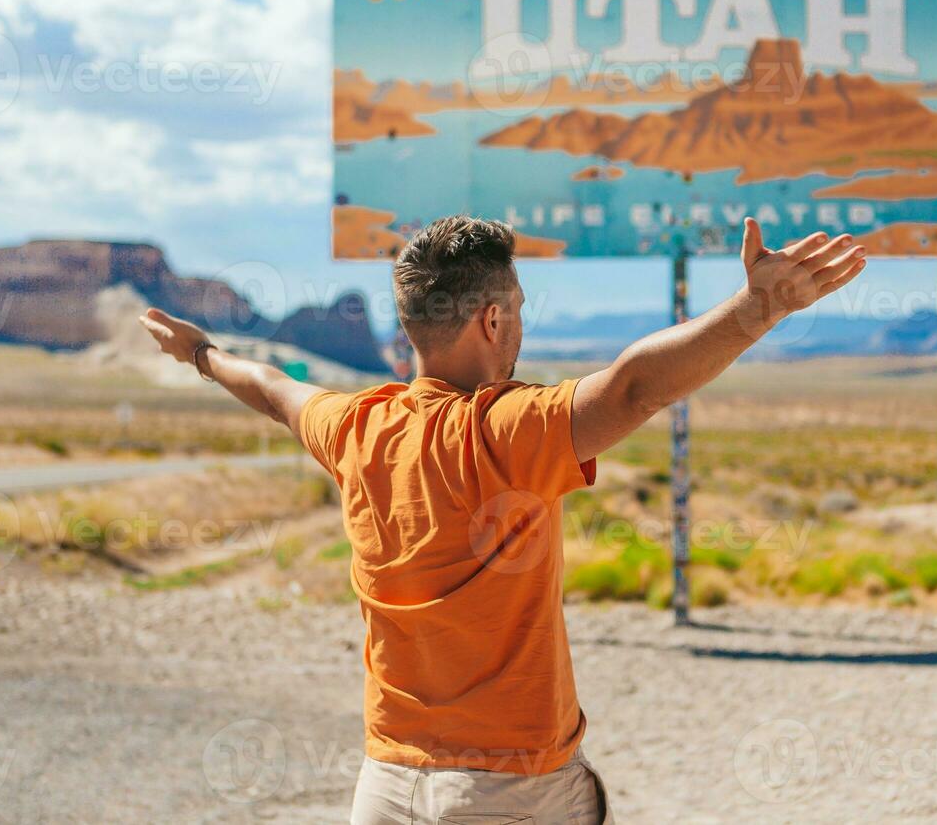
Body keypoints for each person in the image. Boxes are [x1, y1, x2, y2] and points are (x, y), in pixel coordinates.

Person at [139, 215, 866, 824]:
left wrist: (201, 352)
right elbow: (634, 388)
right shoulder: (501, 430)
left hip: (386, 785)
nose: (517, 324)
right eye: (515, 308)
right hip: (508, 791)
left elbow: (272, 389)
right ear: (492, 318)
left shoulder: (355, 428)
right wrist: (756, 311)